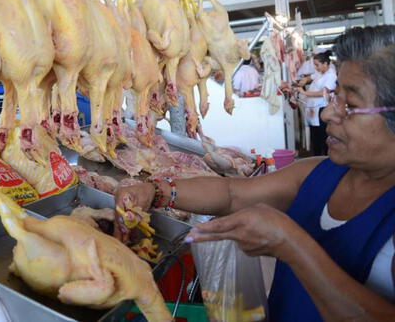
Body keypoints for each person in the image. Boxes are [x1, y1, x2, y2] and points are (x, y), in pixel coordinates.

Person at [114, 25, 395, 321]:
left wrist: (292, 245)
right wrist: (156, 191)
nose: (327, 113)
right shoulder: (319, 174)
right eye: (334, 96)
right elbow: (232, 193)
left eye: (349, 105)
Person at [294, 51, 337, 155]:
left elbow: (323, 92)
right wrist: (304, 80)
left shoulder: (331, 75)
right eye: (315, 65)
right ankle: (317, 158)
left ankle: (326, 159)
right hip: (313, 110)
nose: (316, 67)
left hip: (322, 109)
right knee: (315, 137)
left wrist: (305, 92)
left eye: (317, 65)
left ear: (325, 64)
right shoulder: (320, 72)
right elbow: (311, 77)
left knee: (323, 138)